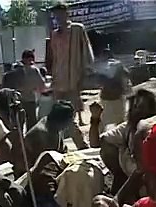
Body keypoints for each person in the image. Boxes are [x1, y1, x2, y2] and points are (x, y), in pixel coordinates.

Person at [100, 89, 156, 194]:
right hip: (137, 173)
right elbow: (102, 140)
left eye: (141, 107)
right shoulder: (128, 127)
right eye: (135, 106)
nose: (138, 110)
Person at [50, 2, 93, 148]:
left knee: (70, 115)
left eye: (60, 14)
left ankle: (81, 144)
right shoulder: (54, 34)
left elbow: (86, 51)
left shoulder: (77, 29)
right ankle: (64, 146)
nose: (57, 17)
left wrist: (85, 73)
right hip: (58, 81)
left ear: (66, 13)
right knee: (58, 115)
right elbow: (54, 58)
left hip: (73, 80)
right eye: (55, 15)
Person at [20, 100, 74, 174]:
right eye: (69, 122)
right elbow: (44, 162)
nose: (68, 126)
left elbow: (62, 149)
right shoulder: (41, 133)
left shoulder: (56, 126)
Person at [97, 48, 131, 133]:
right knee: (120, 120)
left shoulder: (101, 65)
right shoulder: (118, 64)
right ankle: (121, 138)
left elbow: (98, 81)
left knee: (103, 118)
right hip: (117, 95)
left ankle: (99, 138)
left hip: (105, 95)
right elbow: (126, 75)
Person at [12, 50, 46, 130]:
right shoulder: (34, 70)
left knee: (18, 124)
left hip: (17, 100)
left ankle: (18, 140)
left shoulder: (15, 69)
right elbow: (41, 85)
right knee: (32, 124)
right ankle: (30, 141)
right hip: (30, 99)